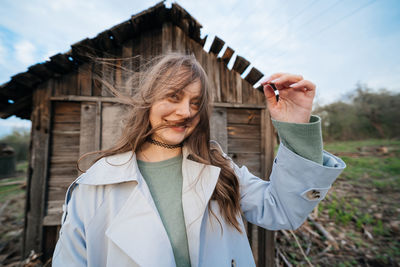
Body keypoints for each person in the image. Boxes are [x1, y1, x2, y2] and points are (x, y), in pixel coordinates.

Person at [52, 53, 345, 267]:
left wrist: (295, 129)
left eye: (195, 102)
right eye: (173, 97)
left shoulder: (218, 168)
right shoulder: (93, 187)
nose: (185, 111)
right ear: (148, 100)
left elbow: (282, 210)